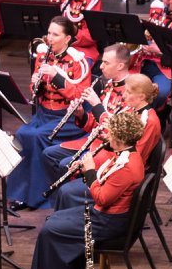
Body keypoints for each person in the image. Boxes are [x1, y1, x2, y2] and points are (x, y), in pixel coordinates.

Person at [26, 109, 147, 269]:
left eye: (111, 134)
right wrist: (86, 172)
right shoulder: (126, 154)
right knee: (54, 220)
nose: (107, 137)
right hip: (105, 214)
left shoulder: (127, 167)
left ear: (119, 139)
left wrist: (90, 170)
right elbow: (105, 183)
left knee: (51, 230)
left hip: (109, 222)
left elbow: (101, 197)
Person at [44, 57, 161, 205]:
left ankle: (73, 213)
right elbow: (121, 139)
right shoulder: (132, 109)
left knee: (66, 185)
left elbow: (134, 154)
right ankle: (66, 213)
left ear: (142, 96)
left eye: (129, 92)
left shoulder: (148, 120)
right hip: (110, 155)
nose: (124, 96)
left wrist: (91, 168)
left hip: (119, 168)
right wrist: (107, 137)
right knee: (64, 165)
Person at [7, 16, 92, 209]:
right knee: (21, 135)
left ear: (67, 38)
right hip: (44, 114)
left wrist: (57, 78)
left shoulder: (79, 61)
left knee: (35, 137)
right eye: (49, 33)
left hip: (68, 119)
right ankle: (23, 193)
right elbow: (33, 88)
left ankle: (40, 196)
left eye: (55, 34)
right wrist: (36, 83)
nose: (50, 38)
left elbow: (81, 95)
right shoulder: (43, 55)